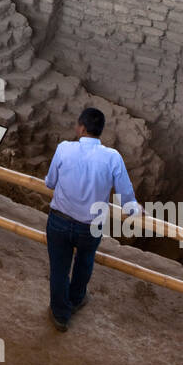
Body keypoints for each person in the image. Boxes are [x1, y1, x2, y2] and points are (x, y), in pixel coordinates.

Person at [43, 107, 140, 331]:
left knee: (59, 269)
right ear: (100, 131)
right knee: (85, 262)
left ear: (82, 128)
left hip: (59, 220)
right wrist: (133, 208)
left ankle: (60, 316)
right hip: (90, 226)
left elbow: (50, 183)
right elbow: (126, 194)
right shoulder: (112, 157)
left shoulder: (64, 148)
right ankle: (77, 299)